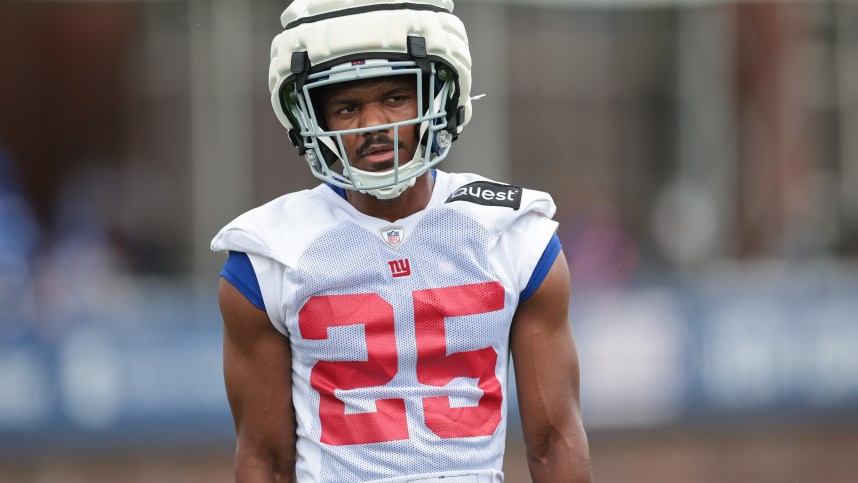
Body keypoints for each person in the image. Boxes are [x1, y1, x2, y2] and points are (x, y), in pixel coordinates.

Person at [212, 1, 591, 481]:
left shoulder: (514, 235)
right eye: (347, 107)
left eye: (395, 98)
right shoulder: (269, 255)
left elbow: (554, 439)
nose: (373, 124)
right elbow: (265, 458)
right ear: (314, 120)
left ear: (439, 97)